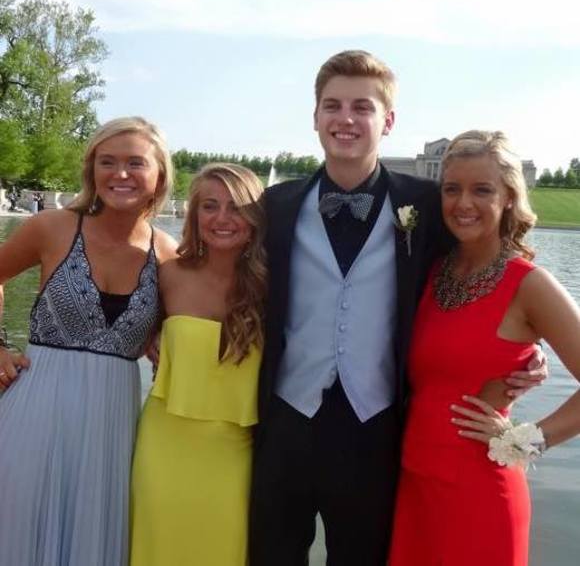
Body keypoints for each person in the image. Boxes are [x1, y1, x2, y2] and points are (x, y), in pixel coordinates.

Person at [249, 51, 546, 566]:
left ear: (387, 121)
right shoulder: (276, 205)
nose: (345, 119)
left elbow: (485, 265)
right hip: (284, 422)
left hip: (379, 431)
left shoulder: (429, 204)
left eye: (362, 107)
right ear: (315, 116)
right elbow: (222, 276)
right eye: (333, 105)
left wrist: (522, 346)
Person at [389, 130, 580, 566]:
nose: (464, 203)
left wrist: (526, 441)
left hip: (481, 493)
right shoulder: (431, 270)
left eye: (482, 190)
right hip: (414, 488)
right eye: (452, 189)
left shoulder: (530, 284)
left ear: (509, 197)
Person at [0, 116, 176, 566]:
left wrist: (162, 334)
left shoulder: (167, 254)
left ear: (159, 176)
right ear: (91, 170)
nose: (120, 173)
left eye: (135, 162)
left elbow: (192, 319)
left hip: (112, 425)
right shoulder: (52, 227)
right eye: (107, 162)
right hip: (36, 411)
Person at [130, 163, 267, 566]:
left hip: (234, 451)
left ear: (255, 217)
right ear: (194, 214)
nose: (222, 218)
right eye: (210, 206)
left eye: (236, 207)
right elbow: (123, 331)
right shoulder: (167, 275)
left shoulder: (274, 284)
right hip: (164, 442)